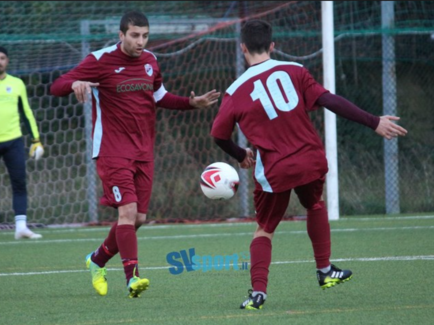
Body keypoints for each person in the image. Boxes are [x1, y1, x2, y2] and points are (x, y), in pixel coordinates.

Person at [210, 19, 408, 310]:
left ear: (243, 48)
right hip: (311, 160)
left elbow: (218, 135)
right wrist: (373, 121)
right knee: (314, 205)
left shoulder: (235, 91)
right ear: (273, 46)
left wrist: (241, 155)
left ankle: (258, 294)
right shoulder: (296, 71)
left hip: (276, 170)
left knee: (264, 229)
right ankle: (325, 270)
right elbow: (329, 100)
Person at [50, 10, 220, 298]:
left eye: (145, 36)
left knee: (138, 218)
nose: (140, 41)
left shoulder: (151, 61)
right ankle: (132, 277)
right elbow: (56, 86)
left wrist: (193, 103)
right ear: (121, 35)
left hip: (143, 151)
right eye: (134, 35)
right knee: (127, 212)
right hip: (112, 150)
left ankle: (97, 260)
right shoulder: (100, 60)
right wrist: (75, 83)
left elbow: (160, 97)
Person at [0, 46, 45, 240]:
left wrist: (36, 140)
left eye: (2, 58)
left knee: (19, 183)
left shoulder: (16, 84)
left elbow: (27, 113)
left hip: (14, 141)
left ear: (7, 61)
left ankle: (21, 226)